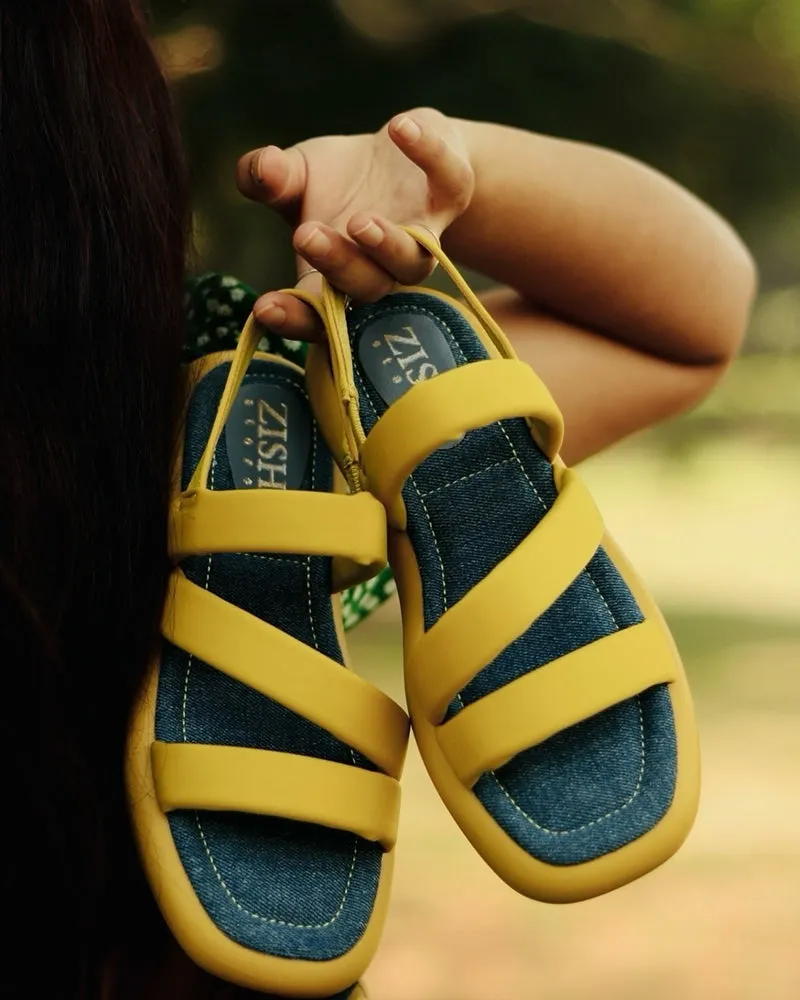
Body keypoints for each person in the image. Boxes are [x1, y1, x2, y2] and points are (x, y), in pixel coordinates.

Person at [0, 3, 756, 999]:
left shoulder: (219, 430)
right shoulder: (196, 422)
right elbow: (687, 328)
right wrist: (452, 171)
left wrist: (428, 170)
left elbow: (686, 321)